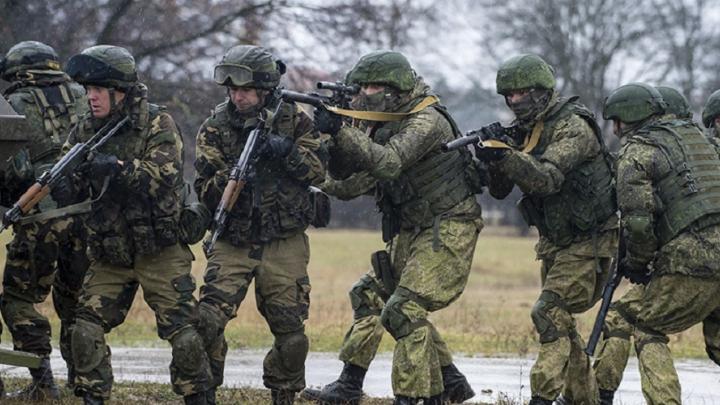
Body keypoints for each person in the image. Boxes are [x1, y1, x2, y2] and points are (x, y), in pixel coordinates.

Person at [303, 50, 483, 405]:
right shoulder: (382, 122)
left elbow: (388, 163)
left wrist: (343, 128)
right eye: (362, 87)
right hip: (412, 229)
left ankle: (416, 396)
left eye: (373, 86)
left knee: (403, 310)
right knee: (368, 294)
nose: (365, 93)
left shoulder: (426, 120)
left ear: (397, 88)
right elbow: (351, 184)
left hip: (448, 227)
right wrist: (321, 154)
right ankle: (355, 384)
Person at [64, 45, 211, 405]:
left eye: (98, 90)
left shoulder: (157, 122)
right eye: (88, 90)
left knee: (185, 332)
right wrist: (69, 180)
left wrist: (115, 168)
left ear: (120, 91)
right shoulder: (84, 126)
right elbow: (67, 176)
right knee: (84, 328)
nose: (91, 97)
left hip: (159, 248)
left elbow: (161, 176)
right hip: (111, 249)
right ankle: (93, 396)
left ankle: (199, 396)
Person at [478, 54, 617, 404]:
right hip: (557, 243)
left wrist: (507, 156)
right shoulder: (527, 130)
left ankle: (541, 396)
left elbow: (547, 179)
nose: (513, 102)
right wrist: (494, 156)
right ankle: (585, 398)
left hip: (590, 242)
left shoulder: (573, 126)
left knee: (548, 312)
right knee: (561, 324)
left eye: (520, 94)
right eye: (508, 96)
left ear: (541, 92)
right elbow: (498, 192)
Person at [193, 44, 327, 405]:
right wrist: (234, 178)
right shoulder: (215, 127)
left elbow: (318, 171)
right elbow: (204, 187)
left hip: (284, 240)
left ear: (265, 90)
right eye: (233, 90)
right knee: (206, 320)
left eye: (246, 90)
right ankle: (203, 391)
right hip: (234, 238)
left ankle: (284, 394)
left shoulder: (294, 120)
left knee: (291, 329)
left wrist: (287, 151)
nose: (238, 97)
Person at [601, 82, 720, 404]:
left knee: (649, 329)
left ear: (632, 117)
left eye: (618, 122)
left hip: (693, 259)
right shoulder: (703, 142)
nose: (615, 129)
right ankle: (599, 391)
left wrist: (637, 263)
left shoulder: (638, 151)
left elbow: (638, 222)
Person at [0, 40, 89, 400]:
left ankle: (43, 380)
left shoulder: (15, 104)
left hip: (40, 216)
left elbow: (15, 169)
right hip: (85, 213)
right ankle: (85, 381)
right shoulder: (85, 95)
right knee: (77, 301)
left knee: (19, 297)